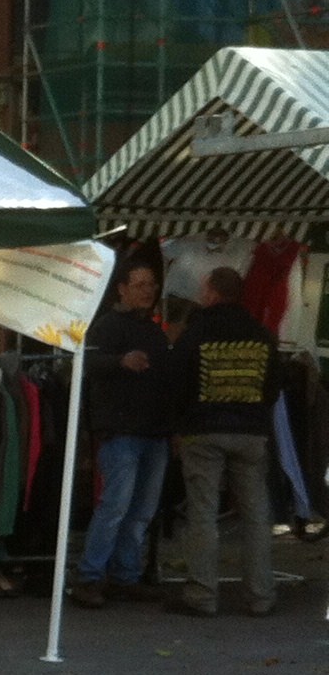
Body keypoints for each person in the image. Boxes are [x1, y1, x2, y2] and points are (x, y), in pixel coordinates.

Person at [170, 266, 282, 618]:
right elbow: (273, 388)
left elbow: (179, 382)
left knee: (203, 514)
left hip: (203, 431)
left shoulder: (196, 332)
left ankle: (202, 595)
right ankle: (261, 596)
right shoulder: (262, 335)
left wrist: (181, 424)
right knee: (256, 516)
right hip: (251, 433)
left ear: (213, 293)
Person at [70, 262, 172, 608]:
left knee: (142, 510)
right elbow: (85, 363)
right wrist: (120, 362)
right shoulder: (106, 327)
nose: (148, 291)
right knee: (114, 506)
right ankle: (90, 576)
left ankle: (126, 575)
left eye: (151, 284)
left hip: (154, 432)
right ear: (122, 289)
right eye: (140, 284)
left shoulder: (155, 332)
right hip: (121, 432)